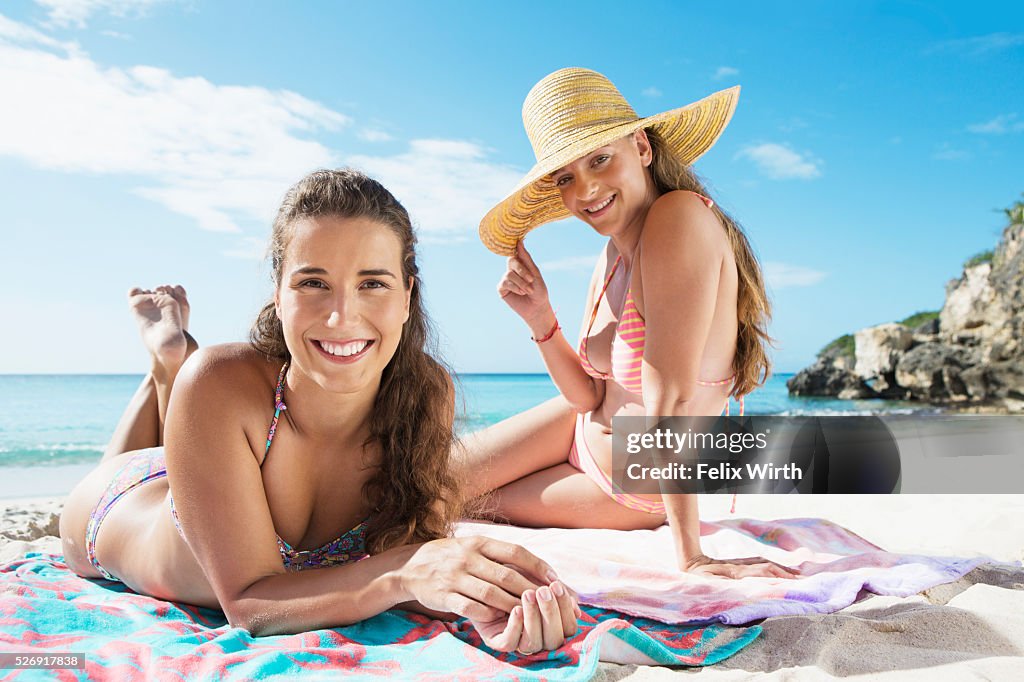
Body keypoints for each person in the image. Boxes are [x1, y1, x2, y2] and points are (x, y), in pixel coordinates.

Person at [59, 169, 579, 653]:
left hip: (203, 464)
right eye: (313, 283)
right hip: (119, 504)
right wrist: (404, 572)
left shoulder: (424, 395)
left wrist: (493, 608)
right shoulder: (221, 381)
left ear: (406, 298)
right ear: (278, 296)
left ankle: (165, 364)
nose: (341, 316)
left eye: (373, 283)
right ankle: (168, 364)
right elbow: (251, 606)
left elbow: (413, 573)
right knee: (150, 428)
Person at [462, 68, 795, 579]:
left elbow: (671, 404)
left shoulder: (677, 217)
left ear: (641, 146)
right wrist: (541, 318)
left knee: (445, 503)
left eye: (600, 159)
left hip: (632, 479)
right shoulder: (613, 252)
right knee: (420, 482)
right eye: (566, 177)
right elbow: (589, 397)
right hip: (579, 428)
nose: (587, 189)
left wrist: (693, 556)